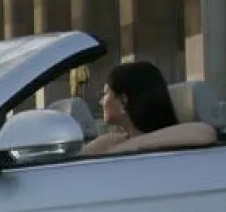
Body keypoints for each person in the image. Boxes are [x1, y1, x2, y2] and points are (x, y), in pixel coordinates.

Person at [80, 61, 217, 157]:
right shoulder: (113, 141)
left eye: (105, 93)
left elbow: (206, 133)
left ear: (123, 101)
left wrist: (131, 145)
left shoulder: (177, 138)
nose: (101, 101)